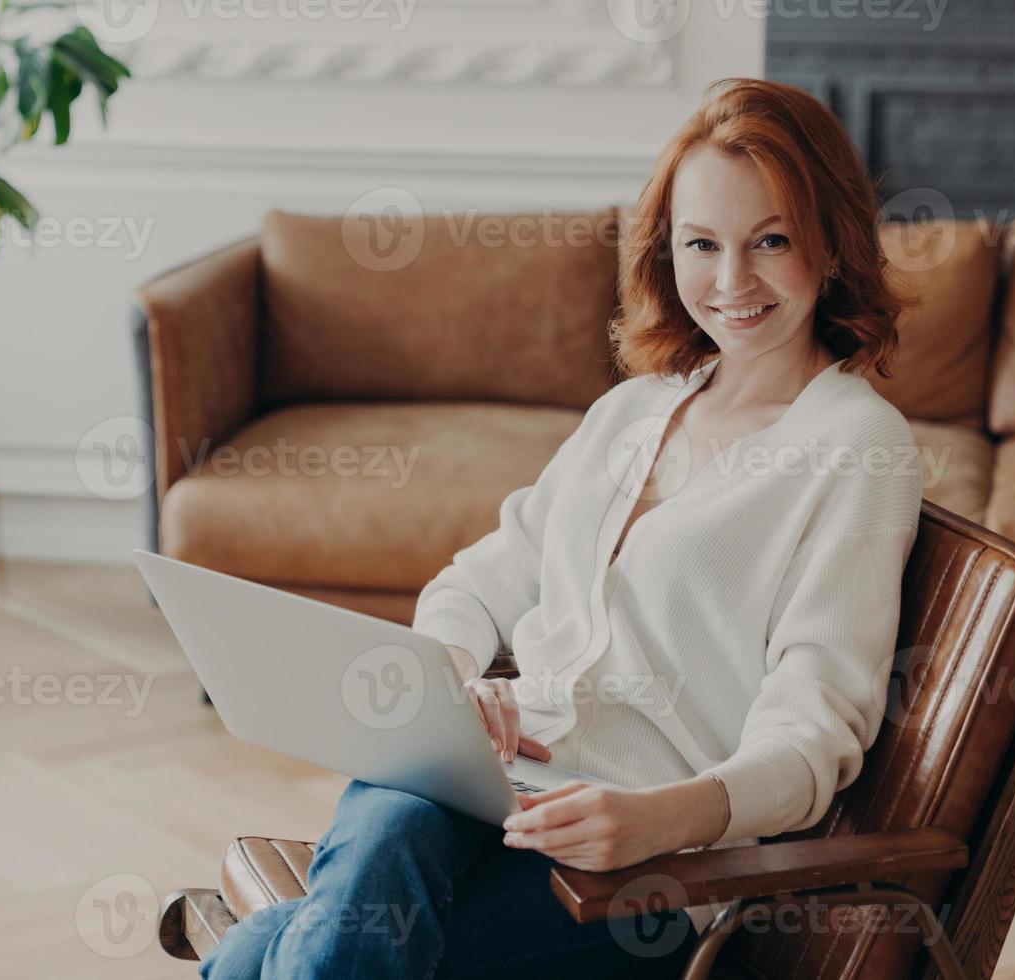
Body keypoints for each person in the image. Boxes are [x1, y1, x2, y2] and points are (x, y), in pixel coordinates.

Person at [200, 76, 924, 979]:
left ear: (830, 247)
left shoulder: (856, 444)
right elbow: (475, 583)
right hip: (495, 791)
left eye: (770, 240)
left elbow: (818, 735)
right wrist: (455, 688)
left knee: (268, 948)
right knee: (387, 817)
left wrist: (666, 817)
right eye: (703, 243)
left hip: (645, 874)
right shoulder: (634, 411)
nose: (732, 281)